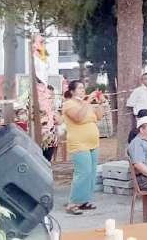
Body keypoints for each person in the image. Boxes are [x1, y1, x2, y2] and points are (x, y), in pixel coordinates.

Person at [62, 80, 105, 215]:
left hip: (93, 142)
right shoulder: (69, 104)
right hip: (79, 143)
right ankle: (72, 203)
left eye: (83, 88)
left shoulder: (85, 104)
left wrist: (100, 103)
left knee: (91, 172)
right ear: (72, 91)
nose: (82, 90)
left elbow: (99, 117)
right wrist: (87, 101)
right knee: (83, 173)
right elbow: (78, 118)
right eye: (79, 88)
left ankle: (84, 200)